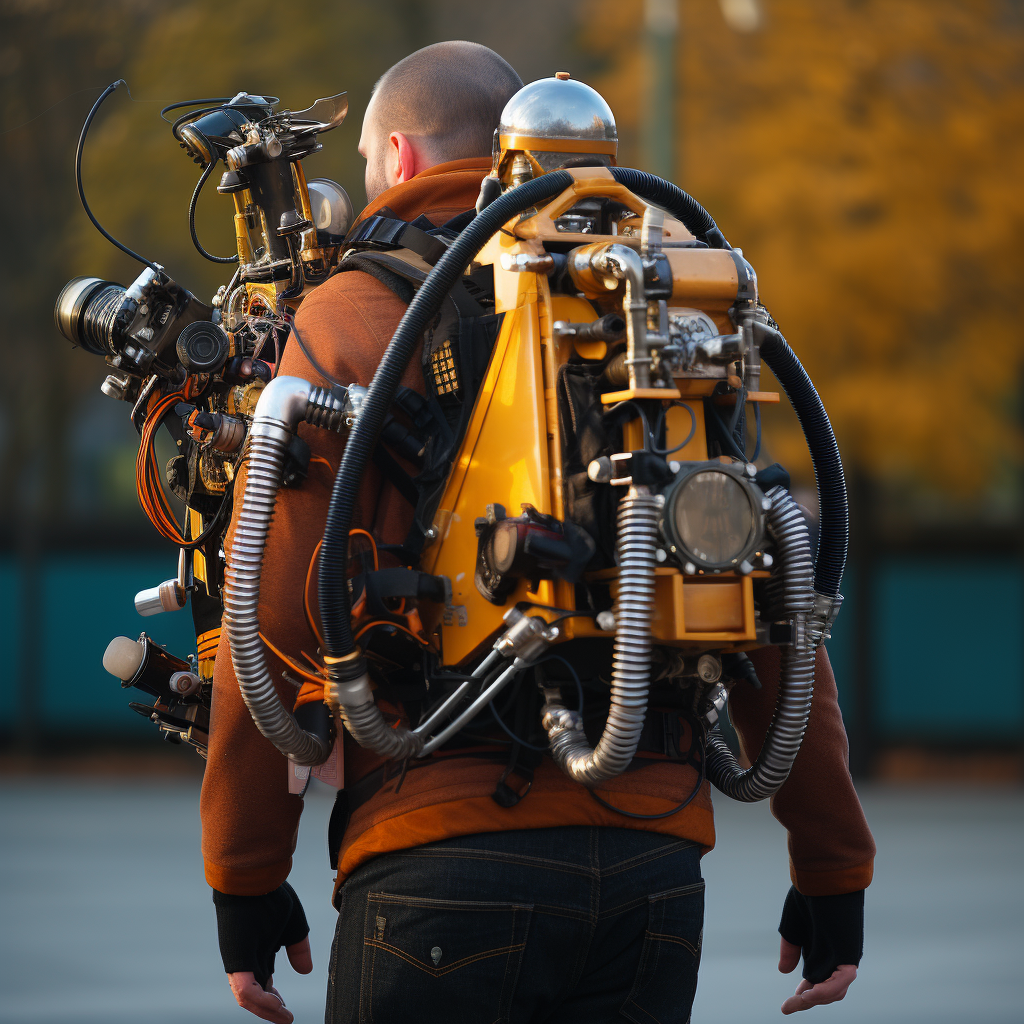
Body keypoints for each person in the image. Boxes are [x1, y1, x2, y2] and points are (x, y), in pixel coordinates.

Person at [201, 41, 875, 1024]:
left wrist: (246, 876)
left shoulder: (348, 312)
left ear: (396, 154)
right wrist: (831, 861)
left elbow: (273, 622)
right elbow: (759, 584)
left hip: (438, 850)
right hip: (654, 863)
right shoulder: (665, 307)